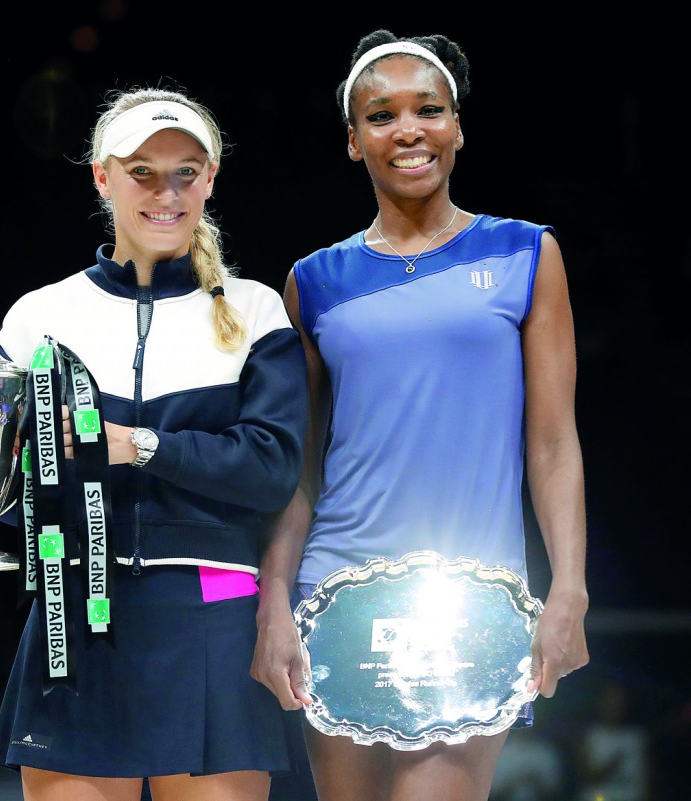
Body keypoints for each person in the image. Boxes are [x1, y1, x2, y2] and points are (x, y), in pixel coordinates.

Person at [0, 86, 308, 801]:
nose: (167, 192)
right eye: (142, 172)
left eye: (186, 172)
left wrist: (140, 445)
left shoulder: (255, 310)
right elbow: (16, 491)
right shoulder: (37, 317)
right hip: (74, 612)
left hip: (215, 609)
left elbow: (271, 470)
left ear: (211, 179)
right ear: (103, 178)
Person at [250, 29, 591, 801]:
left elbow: (552, 442)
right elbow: (298, 471)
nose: (408, 130)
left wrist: (569, 586)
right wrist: (275, 604)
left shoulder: (525, 254)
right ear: (353, 140)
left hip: (474, 596)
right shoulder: (314, 281)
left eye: (428, 110)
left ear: (457, 127)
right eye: (382, 115)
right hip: (337, 593)